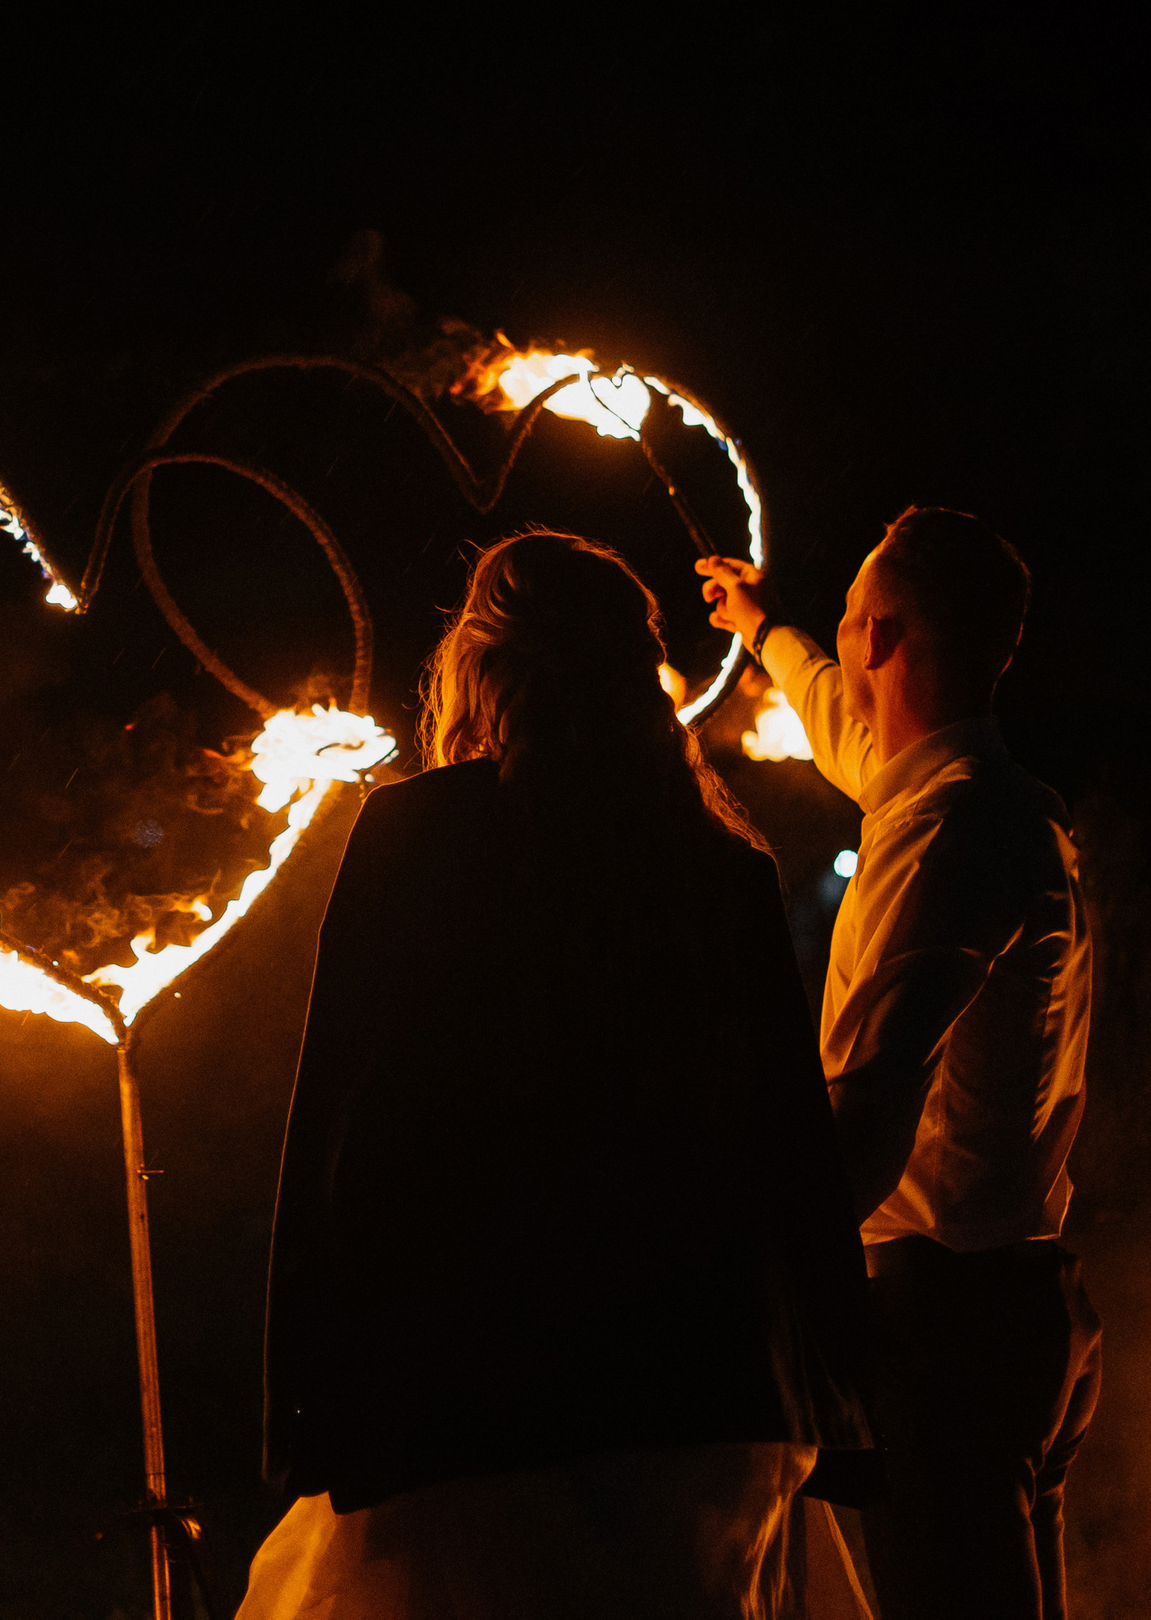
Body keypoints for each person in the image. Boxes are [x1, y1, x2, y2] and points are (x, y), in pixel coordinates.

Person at [241, 531, 877, 1620]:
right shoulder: (719, 866)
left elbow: (347, 1128)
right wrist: (845, 1397)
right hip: (707, 1389)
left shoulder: (418, 837)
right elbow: (789, 1146)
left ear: (483, 666)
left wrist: (303, 1398)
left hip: (485, 1387)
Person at [698, 508, 1100, 1620]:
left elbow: (868, 1111)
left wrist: (744, 1271)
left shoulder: (955, 833)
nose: (841, 656)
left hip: (949, 1331)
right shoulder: (968, 797)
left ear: (879, 637)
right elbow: (843, 724)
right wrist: (768, 627)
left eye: (845, 626)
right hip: (1011, 1306)